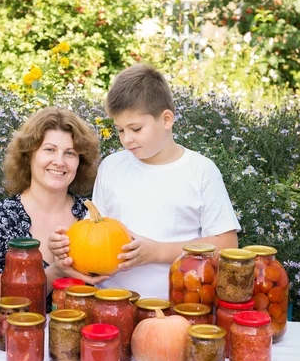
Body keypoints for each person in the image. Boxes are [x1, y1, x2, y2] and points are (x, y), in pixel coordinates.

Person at [49, 64, 241, 299]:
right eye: (120, 130)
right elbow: (96, 234)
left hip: (178, 306)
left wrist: (157, 252)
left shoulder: (200, 170)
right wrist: (68, 247)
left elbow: (228, 244)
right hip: (113, 300)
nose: (127, 139)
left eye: (136, 129)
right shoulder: (111, 166)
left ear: (166, 119)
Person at [0, 107, 107, 302]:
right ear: (29, 155)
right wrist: (55, 272)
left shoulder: (92, 216)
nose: (59, 162)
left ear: (81, 162)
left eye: (70, 153)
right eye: (49, 150)